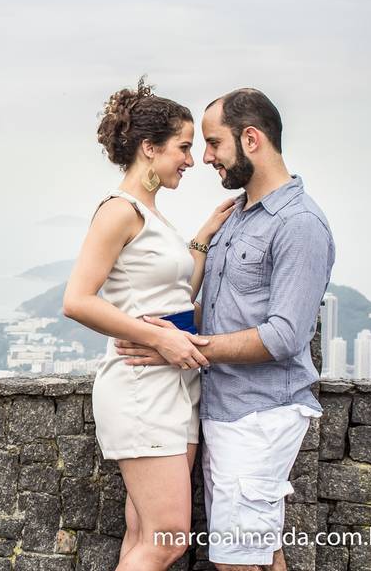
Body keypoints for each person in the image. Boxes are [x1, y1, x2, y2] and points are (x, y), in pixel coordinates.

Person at [115, 88, 336, 570]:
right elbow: (212, 307)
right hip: (226, 411)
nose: (206, 157)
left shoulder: (299, 224)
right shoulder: (237, 216)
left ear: (251, 138)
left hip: (259, 416)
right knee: (260, 554)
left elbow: (283, 336)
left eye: (214, 143)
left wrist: (184, 347)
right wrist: (161, 333)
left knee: (236, 562)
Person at [62, 77, 235, 571]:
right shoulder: (119, 211)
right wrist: (158, 337)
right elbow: (77, 300)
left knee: (143, 535)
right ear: (148, 147)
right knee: (168, 540)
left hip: (175, 384)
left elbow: (175, 295)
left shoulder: (155, 216)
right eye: (183, 147)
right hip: (141, 387)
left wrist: (202, 236)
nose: (190, 159)